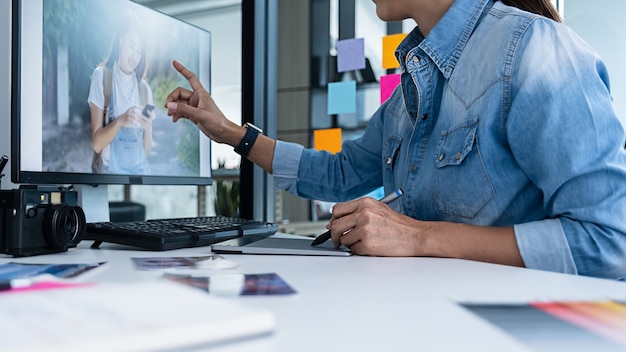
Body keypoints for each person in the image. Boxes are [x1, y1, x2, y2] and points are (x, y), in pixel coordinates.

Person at [165, 0, 626, 280]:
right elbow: (340, 173)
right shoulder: (411, 84)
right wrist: (230, 133)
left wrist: (421, 237)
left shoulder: (536, 50)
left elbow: (608, 241)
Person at [88, 12, 154, 174]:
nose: (134, 56)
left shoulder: (145, 90)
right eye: (131, 46)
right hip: (109, 175)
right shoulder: (101, 77)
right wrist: (120, 121)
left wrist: (146, 127)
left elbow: (147, 149)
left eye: (139, 51)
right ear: (120, 41)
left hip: (137, 175)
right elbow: (97, 144)